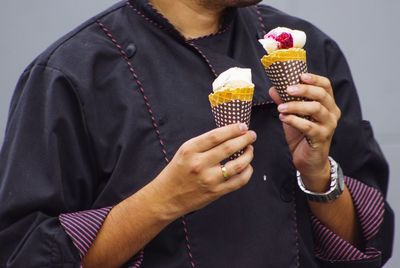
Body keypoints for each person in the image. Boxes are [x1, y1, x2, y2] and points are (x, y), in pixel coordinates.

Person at [0, 0, 394, 267]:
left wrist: (319, 175)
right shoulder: (72, 75)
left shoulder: (307, 50)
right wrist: (162, 201)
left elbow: (369, 245)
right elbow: (26, 255)